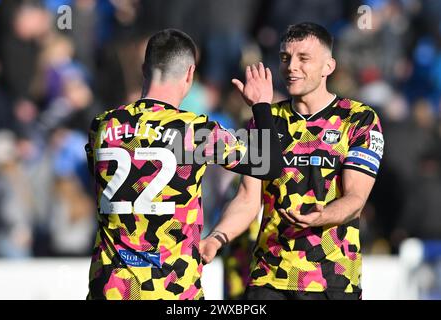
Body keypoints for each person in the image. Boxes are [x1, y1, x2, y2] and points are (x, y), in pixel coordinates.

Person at [84, 29, 284, 300]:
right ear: (190, 74)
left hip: (110, 286)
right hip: (172, 288)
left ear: (144, 69)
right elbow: (270, 165)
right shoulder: (195, 132)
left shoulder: (103, 125)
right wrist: (260, 106)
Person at [200, 22, 385, 300]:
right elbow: (249, 198)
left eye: (303, 58)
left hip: (331, 279)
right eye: (285, 58)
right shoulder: (264, 120)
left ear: (328, 67)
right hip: (269, 277)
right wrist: (216, 238)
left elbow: (355, 199)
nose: (291, 66)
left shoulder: (358, 119)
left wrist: (321, 216)